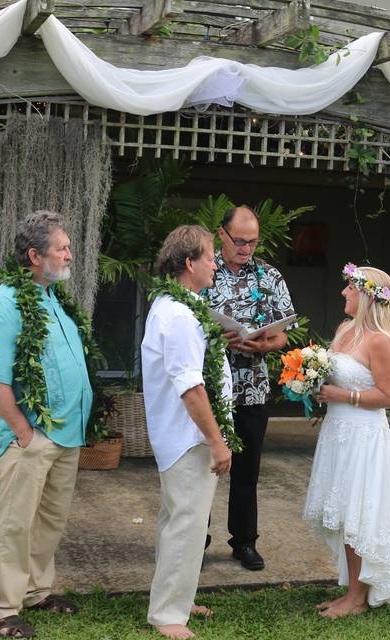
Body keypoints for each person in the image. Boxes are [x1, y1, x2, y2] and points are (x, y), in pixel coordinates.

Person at [0, 211, 93, 639]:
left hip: (65, 432)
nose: (70, 255)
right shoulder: (2, 306)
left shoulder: (51, 299)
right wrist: (23, 432)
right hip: (30, 437)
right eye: (62, 249)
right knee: (15, 522)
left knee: (49, 520)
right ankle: (1, 608)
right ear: (33, 255)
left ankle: (36, 591)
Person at [143, 225, 236, 640]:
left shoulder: (185, 306)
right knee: (186, 524)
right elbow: (191, 387)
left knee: (180, 522)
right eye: (211, 257)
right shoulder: (178, 314)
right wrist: (217, 441)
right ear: (188, 263)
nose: (217, 264)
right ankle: (167, 614)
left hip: (185, 436)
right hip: (188, 437)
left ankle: (178, 597)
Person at [304, 263, 390, 618]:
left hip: (364, 437)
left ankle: (358, 598)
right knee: (345, 513)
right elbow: (334, 377)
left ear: (365, 296)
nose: (343, 293)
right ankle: (350, 590)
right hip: (337, 433)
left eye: (350, 288)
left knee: (359, 513)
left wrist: (343, 396)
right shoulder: (343, 330)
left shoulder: (381, 342)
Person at [204, 206, 295, 571]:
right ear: (221, 234)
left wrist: (266, 345)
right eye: (239, 241)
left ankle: (244, 541)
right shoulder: (203, 269)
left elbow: (284, 332)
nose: (246, 249)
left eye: (252, 242)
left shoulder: (269, 275)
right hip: (210, 385)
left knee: (247, 469)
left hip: (253, 386)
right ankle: (197, 539)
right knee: (203, 466)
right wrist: (214, 335)